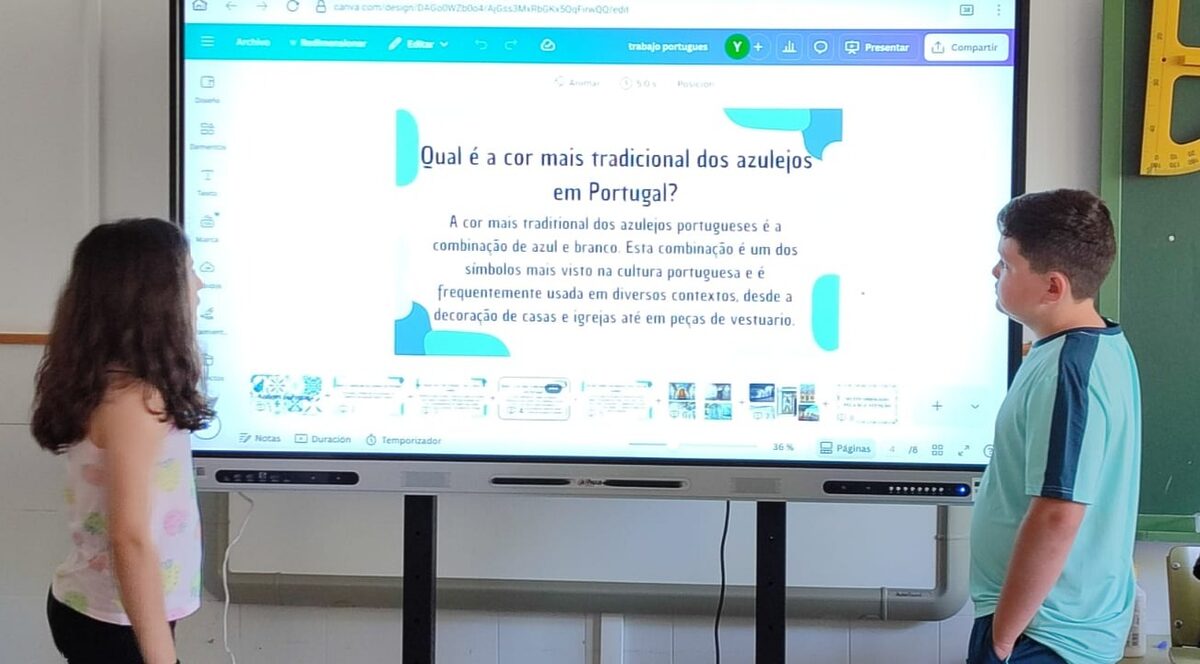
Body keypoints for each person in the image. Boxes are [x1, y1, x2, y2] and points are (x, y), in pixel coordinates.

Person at [967, 189, 1141, 664]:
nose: (995, 272)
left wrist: (1002, 640)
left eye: (1007, 264)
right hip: (1042, 626)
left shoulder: (1069, 372)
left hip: (1042, 635)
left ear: (1052, 288)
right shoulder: (1091, 344)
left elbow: (1058, 514)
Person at [32, 218, 212, 664]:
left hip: (112, 611)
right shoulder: (135, 400)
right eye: (189, 271)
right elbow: (129, 536)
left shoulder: (117, 384)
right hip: (115, 619)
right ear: (154, 295)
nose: (200, 284)